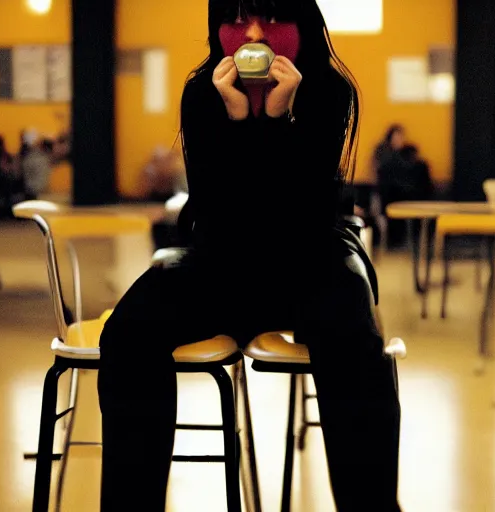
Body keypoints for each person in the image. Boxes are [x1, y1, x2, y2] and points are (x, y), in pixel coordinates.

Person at [97, 1, 402, 510]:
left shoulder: (328, 92)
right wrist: (237, 121)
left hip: (312, 254)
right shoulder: (202, 95)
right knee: (129, 330)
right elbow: (219, 221)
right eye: (236, 19)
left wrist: (279, 119)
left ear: (302, 27)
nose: (253, 33)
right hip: (224, 257)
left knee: (353, 334)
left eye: (271, 18)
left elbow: (303, 218)